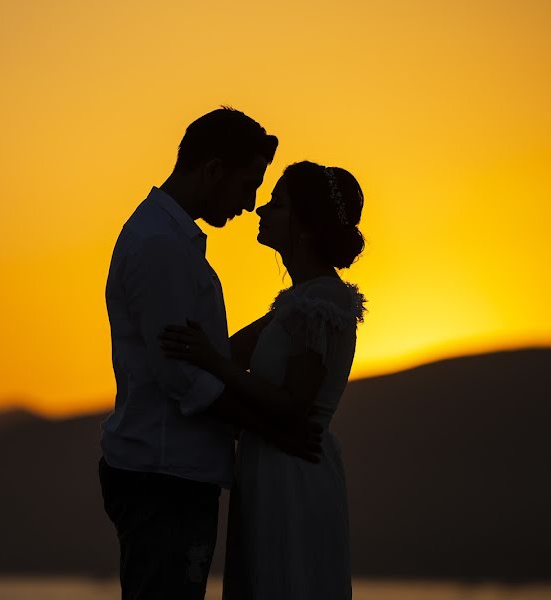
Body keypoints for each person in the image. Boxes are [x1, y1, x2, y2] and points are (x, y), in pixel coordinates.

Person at [99, 108, 322, 600]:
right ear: (213, 170)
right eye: (247, 186)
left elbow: (204, 356)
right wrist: (275, 429)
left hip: (171, 472)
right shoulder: (160, 245)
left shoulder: (170, 239)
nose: (249, 205)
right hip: (164, 474)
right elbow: (182, 377)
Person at [160, 160, 367, 599]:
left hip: (293, 472)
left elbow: (294, 402)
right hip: (267, 465)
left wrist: (212, 365)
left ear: (306, 227)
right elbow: (231, 350)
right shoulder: (295, 303)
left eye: (277, 204)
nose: (260, 211)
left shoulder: (322, 303)